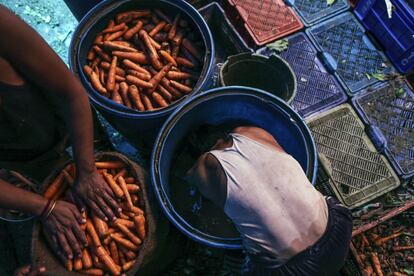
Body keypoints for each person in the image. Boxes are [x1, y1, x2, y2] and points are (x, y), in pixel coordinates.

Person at [0, 4, 120, 273]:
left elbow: (71, 92)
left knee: (106, 184)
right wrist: (45, 208)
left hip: (65, 127)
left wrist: (87, 170)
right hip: (18, 164)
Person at [186, 126, 353, 275]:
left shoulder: (204, 165)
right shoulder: (250, 132)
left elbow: (187, 178)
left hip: (293, 270)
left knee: (236, 262)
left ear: (203, 153)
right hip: (339, 228)